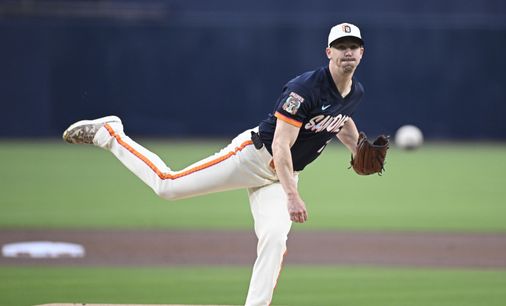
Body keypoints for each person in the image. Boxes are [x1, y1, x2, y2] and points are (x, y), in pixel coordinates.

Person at [63, 22, 366, 306]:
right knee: (168, 186)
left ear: (362, 52)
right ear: (329, 52)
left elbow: (341, 120)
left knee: (274, 237)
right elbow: (280, 144)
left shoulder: (355, 93)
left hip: (283, 176)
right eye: (341, 46)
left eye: (353, 46)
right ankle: (110, 134)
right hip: (253, 157)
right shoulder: (305, 89)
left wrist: (359, 147)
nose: (348, 52)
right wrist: (291, 195)